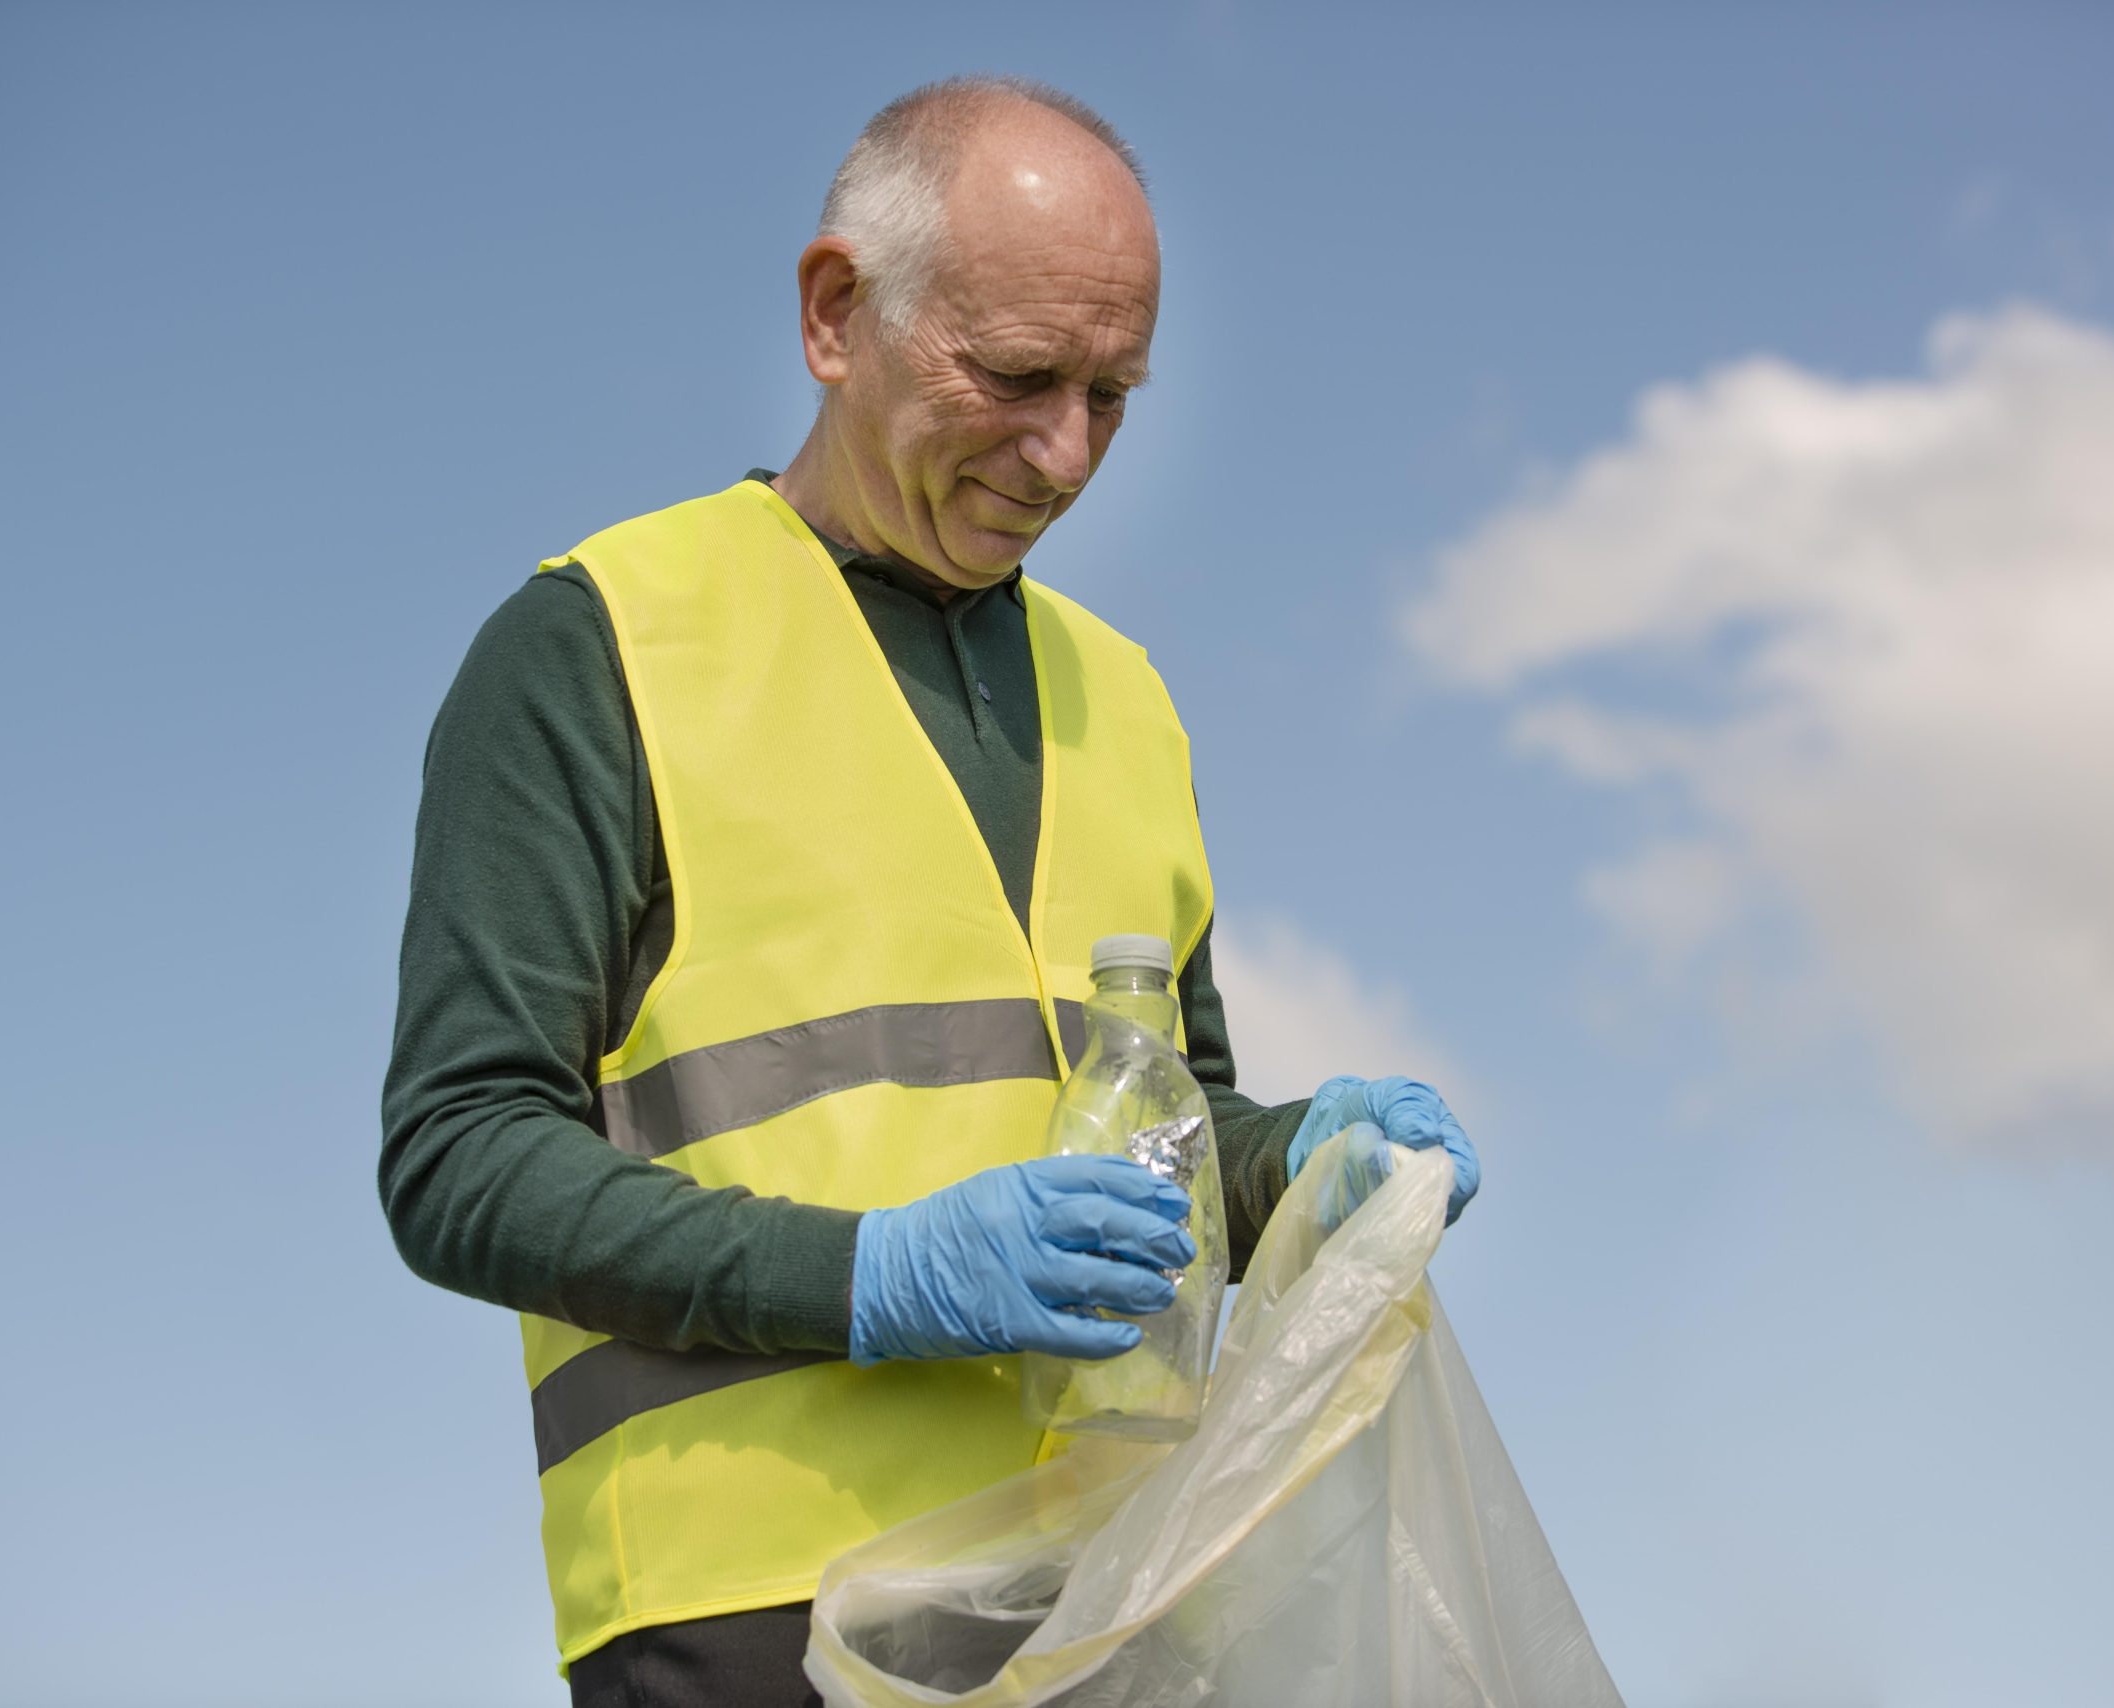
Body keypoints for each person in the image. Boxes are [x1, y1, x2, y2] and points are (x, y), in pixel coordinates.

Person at [379, 75, 1481, 1708]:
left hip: (1111, 1609)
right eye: (1021, 376)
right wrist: (876, 1275)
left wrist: (1304, 1167)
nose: (1066, 454)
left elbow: (1174, 1138)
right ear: (838, 314)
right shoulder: (601, 644)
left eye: (1115, 394)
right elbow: (460, 1155)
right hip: (755, 1624)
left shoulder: (1127, 700)